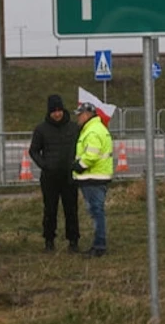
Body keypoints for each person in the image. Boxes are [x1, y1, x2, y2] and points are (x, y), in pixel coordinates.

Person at [29, 94, 80, 253]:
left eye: (59, 110)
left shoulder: (74, 128)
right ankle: (49, 240)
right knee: (50, 210)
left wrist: (77, 165)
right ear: (49, 112)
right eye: (54, 111)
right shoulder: (41, 129)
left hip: (69, 177)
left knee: (71, 210)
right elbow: (33, 151)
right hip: (49, 178)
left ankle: (73, 241)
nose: (57, 114)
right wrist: (45, 165)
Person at [71, 102, 113, 258]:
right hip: (97, 176)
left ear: (87, 115)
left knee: (96, 212)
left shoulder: (92, 131)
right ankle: (98, 244)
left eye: (80, 114)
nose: (78, 118)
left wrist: (79, 166)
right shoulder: (96, 128)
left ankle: (99, 245)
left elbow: (91, 154)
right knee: (97, 211)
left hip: (93, 177)